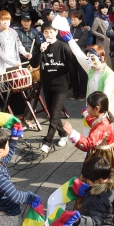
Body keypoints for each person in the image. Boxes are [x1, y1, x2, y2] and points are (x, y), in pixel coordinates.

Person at [60, 30, 114, 135]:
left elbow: (104, 97)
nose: (89, 62)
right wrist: (70, 40)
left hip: (105, 113)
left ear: (101, 58)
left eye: (92, 59)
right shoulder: (92, 69)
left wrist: (92, 109)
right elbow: (79, 55)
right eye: (88, 59)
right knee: (88, 139)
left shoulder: (109, 75)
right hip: (90, 111)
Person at [32, 24, 74, 156]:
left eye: (51, 32)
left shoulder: (62, 46)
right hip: (47, 85)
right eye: (46, 32)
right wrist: (40, 51)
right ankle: (63, 134)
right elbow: (33, 64)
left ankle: (47, 142)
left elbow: (73, 60)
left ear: (56, 32)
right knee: (52, 113)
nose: (48, 34)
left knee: (55, 113)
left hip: (61, 86)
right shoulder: (42, 47)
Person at [62, 91, 114, 169]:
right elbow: (93, 122)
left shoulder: (101, 127)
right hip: (104, 152)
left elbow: (87, 145)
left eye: (88, 107)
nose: (87, 108)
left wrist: (72, 133)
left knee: (98, 177)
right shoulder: (103, 116)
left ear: (97, 108)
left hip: (102, 157)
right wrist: (86, 114)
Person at [0, 10, 32, 115]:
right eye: (3, 20)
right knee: (4, 85)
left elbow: (19, 45)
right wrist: (12, 62)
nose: (6, 23)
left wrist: (25, 53)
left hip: (14, 61)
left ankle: (19, 110)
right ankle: (4, 110)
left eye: (7, 20)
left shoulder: (13, 32)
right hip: (2, 64)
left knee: (16, 84)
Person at [69, 11, 89, 101]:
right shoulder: (69, 29)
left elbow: (82, 42)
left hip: (81, 54)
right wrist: (75, 41)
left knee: (82, 74)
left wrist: (73, 41)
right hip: (71, 54)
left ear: (80, 20)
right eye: (72, 19)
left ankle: (82, 93)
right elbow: (65, 41)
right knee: (73, 74)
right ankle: (75, 92)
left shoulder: (84, 30)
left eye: (75, 19)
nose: (73, 21)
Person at [92, 2, 112, 67]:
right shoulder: (97, 19)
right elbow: (93, 31)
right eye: (103, 8)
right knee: (102, 61)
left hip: (109, 42)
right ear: (100, 9)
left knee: (109, 61)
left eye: (106, 8)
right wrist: (101, 36)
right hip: (102, 43)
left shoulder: (108, 18)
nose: (105, 10)